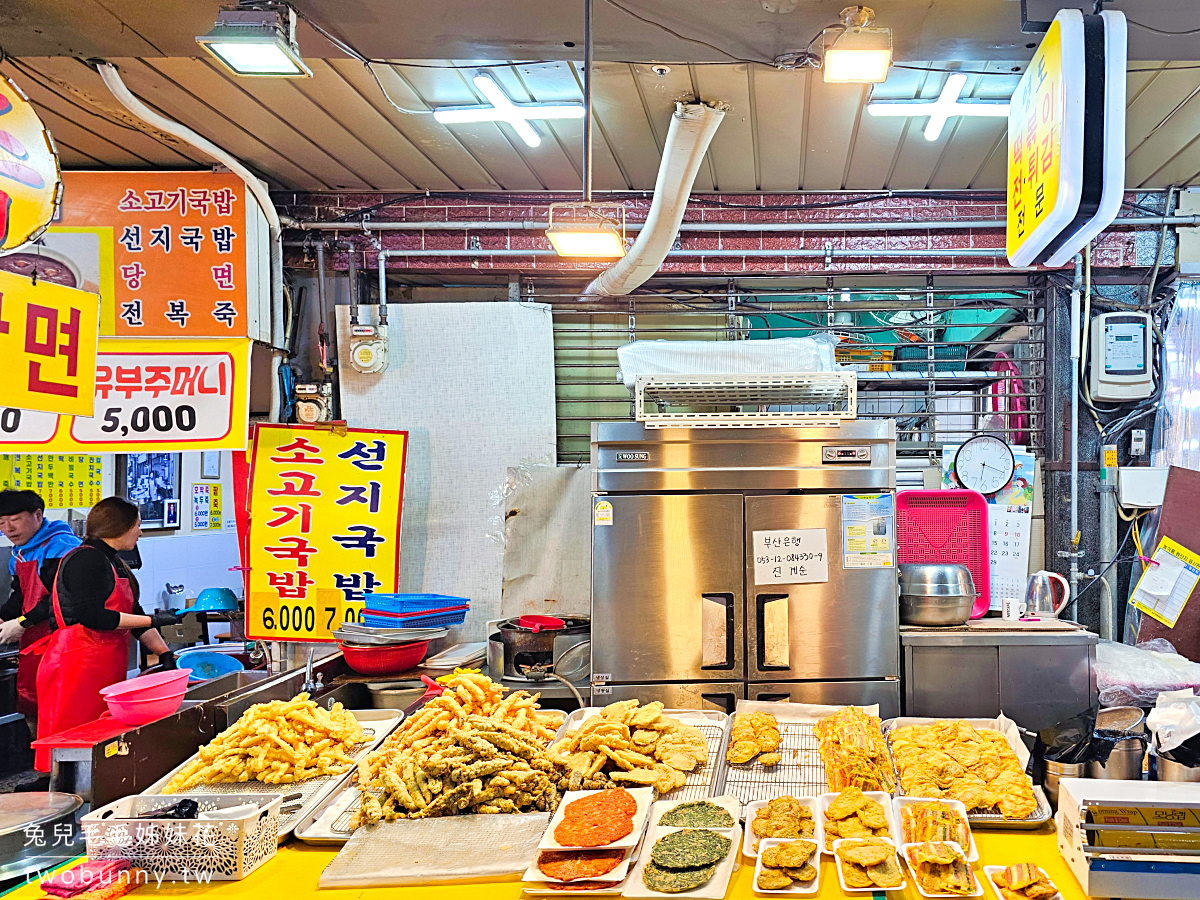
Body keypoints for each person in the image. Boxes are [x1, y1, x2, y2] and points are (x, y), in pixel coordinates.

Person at [32, 497, 179, 771]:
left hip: (103, 664)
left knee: (99, 736)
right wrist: (154, 619)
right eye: (137, 525)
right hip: (74, 666)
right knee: (70, 740)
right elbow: (92, 616)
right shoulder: (86, 559)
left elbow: (133, 613)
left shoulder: (114, 562)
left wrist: (164, 653)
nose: (140, 531)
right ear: (119, 527)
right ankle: (59, 792)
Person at [0, 490, 82, 720]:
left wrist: (22, 623)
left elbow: (59, 597)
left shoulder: (62, 546)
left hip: (64, 642)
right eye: (1, 523)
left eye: (15, 520)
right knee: (36, 709)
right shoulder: (21, 552)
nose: (8, 529)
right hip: (36, 641)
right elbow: (21, 593)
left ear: (38, 514)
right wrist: (5, 617)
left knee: (62, 709)